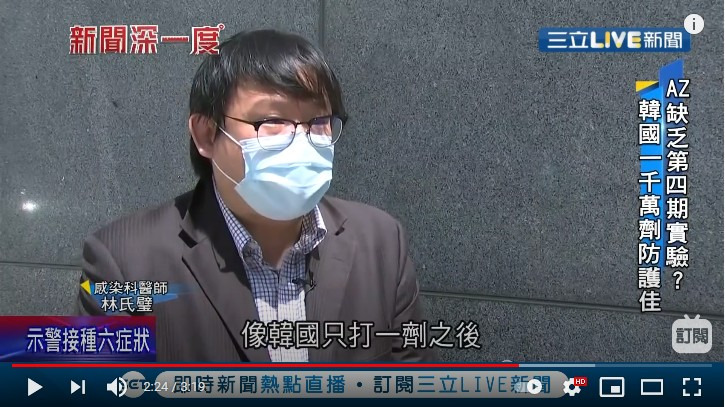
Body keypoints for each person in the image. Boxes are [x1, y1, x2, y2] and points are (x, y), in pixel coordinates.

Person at [76, 29, 436, 362]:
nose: (301, 141)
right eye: (271, 122)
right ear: (206, 134)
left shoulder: (381, 241)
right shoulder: (123, 261)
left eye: (318, 122)